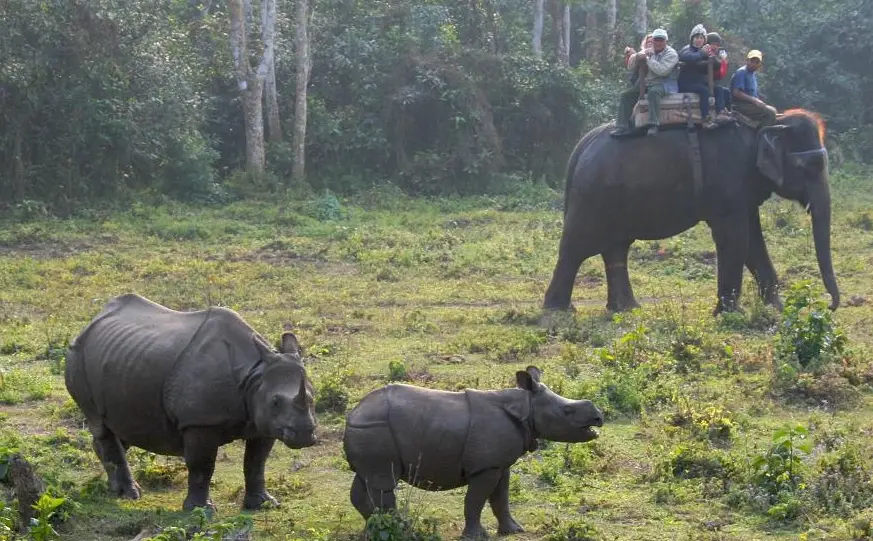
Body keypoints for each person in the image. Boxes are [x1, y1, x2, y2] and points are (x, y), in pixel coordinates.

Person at [613, 28, 679, 137]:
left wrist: (647, 59)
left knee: (654, 92)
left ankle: (654, 124)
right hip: (648, 83)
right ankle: (621, 126)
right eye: (656, 40)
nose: (658, 43)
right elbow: (631, 65)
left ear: (666, 42)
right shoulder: (649, 50)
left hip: (665, 84)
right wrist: (638, 56)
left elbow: (662, 71)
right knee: (626, 95)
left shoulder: (671, 54)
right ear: (652, 41)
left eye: (661, 40)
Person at [678, 24, 717, 127]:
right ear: (692, 39)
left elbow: (716, 65)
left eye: (701, 38)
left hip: (699, 82)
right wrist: (702, 53)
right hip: (686, 83)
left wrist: (712, 54)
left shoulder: (704, 51)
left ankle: (722, 112)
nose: (699, 40)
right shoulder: (687, 49)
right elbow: (687, 57)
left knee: (721, 90)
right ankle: (706, 119)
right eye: (696, 37)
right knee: (704, 90)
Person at [730, 49, 778, 127]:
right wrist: (755, 101)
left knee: (774, 111)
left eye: (757, 62)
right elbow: (736, 92)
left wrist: (759, 101)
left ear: (760, 64)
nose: (754, 64)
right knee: (771, 113)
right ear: (747, 60)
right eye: (752, 61)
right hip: (740, 105)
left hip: (749, 104)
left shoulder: (752, 74)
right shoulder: (742, 72)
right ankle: (761, 135)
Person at [706, 32, 732, 117]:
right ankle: (720, 113)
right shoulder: (707, 54)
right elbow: (719, 74)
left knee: (727, 92)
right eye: (713, 44)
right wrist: (723, 62)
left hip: (711, 83)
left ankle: (728, 111)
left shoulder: (716, 56)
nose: (715, 47)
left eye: (717, 45)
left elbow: (720, 75)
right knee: (719, 90)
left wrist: (723, 61)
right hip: (704, 83)